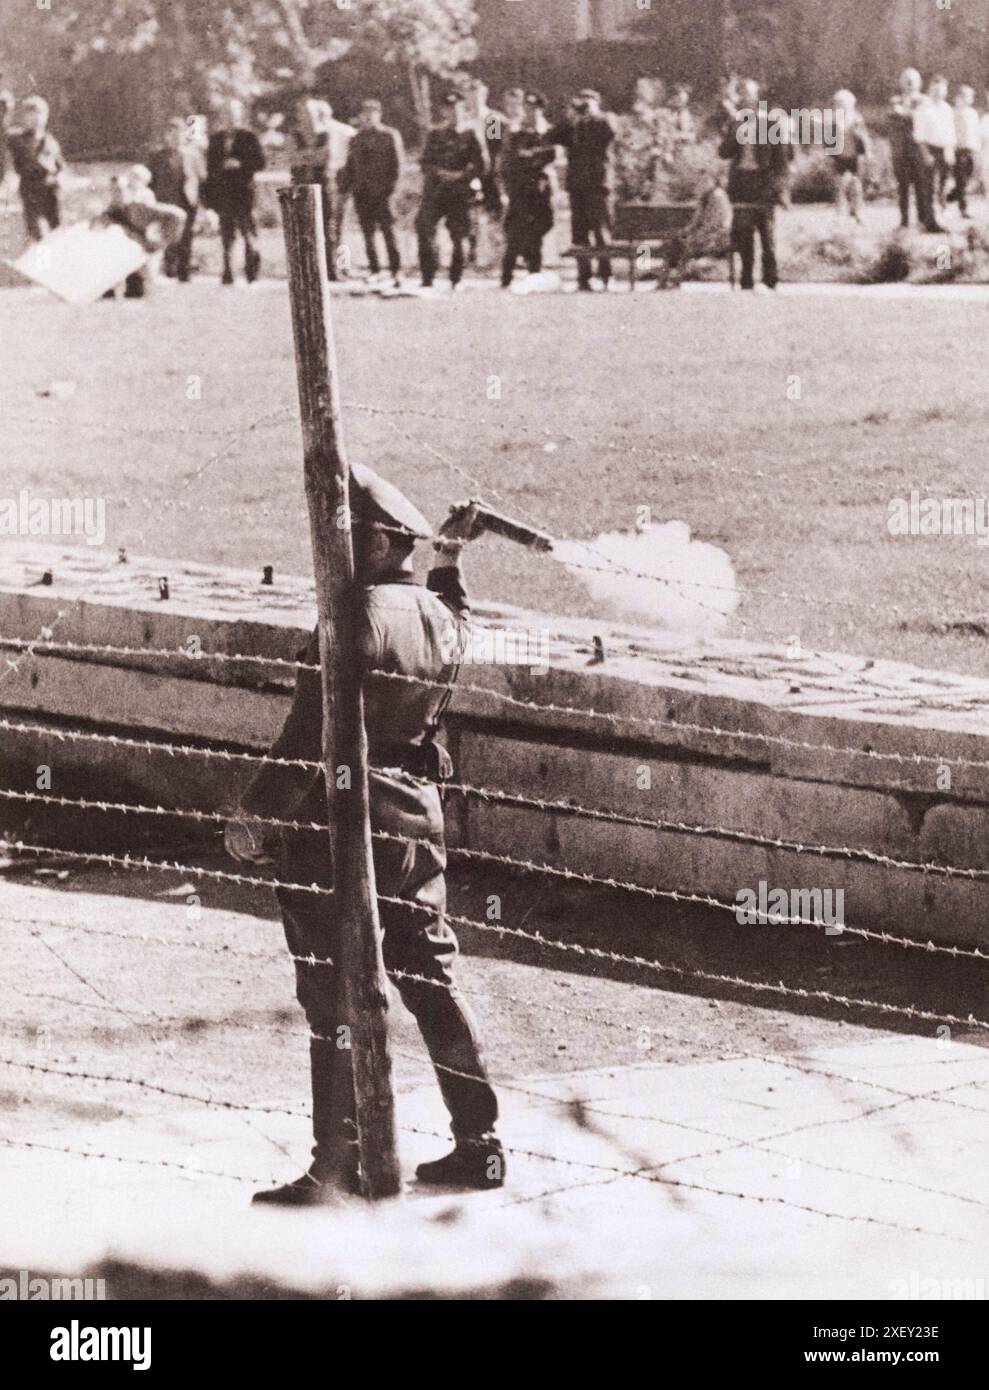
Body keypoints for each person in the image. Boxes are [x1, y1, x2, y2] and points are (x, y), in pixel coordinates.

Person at [226, 466, 503, 1203]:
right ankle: (480, 1144)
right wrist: (448, 557)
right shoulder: (437, 616)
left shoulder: (348, 618)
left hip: (338, 823)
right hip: (416, 814)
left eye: (344, 532)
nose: (331, 544)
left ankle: (338, 1162)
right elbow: (456, 610)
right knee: (429, 973)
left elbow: (307, 735)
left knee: (332, 992)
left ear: (378, 541)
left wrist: (255, 814)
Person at [717, 78, 789, 291]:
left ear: (756, 97)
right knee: (744, 234)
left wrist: (780, 187)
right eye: (743, 94)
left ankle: (770, 279)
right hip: (741, 182)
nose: (746, 98)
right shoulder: (735, 122)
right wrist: (733, 129)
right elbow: (724, 153)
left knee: (767, 233)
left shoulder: (769, 122)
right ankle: (746, 278)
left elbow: (780, 158)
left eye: (750, 94)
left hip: (763, 182)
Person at [547, 89, 616, 292]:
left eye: (588, 103)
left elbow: (609, 133)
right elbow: (550, 136)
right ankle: (583, 277)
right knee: (579, 235)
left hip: (598, 185)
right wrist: (571, 118)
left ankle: (606, 275)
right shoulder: (574, 125)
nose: (584, 107)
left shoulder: (604, 121)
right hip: (577, 186)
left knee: (601, 233)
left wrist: (593, 114)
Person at [416, 92, 485, 291]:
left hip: (459, 192)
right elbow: (425, 163)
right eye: (449, 108)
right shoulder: (435, 134)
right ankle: (427, 277)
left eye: (458, 108)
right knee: (424, 228)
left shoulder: (473, 134)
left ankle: (456, 278)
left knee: (459, 236)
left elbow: (482, 164)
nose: (454, 112)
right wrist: (440, 172)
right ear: (444, 111)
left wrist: (462, 175)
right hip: (436, 191)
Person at [338, 99, 403, 285]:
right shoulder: (357, 139)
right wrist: (346, 189)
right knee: (368, 233)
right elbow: (351, 166)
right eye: (364, 113)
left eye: (371, 112)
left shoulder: (389, 135)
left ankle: (395, 270)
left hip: (383, 192)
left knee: (388, 231)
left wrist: (392, 189)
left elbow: (397, 164)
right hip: (362, 192)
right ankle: (374, 269)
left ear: (379, 114)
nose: (367, 117)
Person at [97, 168, 185, 299]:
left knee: (135, 265)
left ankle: (134, 288)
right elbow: (113, 210)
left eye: (137, 177)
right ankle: (109, 289)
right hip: (125, 232)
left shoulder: (145, 194)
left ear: (144, 181)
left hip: (138, 234)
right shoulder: (124, 191)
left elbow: (148, 215)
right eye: (132, 176)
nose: (133, 179)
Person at [204, 97, 265, 285]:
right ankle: (228, 272)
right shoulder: (215, 139)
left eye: (233, 113)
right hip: (224, 193)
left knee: (248, 234)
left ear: (240, 115)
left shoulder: (249, 137)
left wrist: (240, 164)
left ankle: (252, 273)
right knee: (226, 235)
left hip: (244, 192)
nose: (229, 117)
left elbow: (260, 163)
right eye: (226, 113)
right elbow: (209, 167)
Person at [500, 91, 555, 288]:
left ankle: (534, 270)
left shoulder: (548, 131)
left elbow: (550, 157)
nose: (530, 113)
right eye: (528, 108)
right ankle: (507, 274)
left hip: (540, 189)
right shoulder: (505, 126)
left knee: (538, 229)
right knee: (514, 231)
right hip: (518, 188)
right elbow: (503, 157)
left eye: (534, 109)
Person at [147, 117, 204, 282]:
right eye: (172, 133)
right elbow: (151, 180)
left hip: (187, 201)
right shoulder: (157, 156)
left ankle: (184, 272)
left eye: (179, 133)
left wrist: (200, 204)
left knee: (187, 237)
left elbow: (201, 178)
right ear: (166, 135)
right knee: (169, 237)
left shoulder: (193, 155)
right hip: (167, 202)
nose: (176, 137)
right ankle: (169, 270)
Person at [288, 96, 338, 279]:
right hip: (301, 185)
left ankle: (331, 269)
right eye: (302, 113)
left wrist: (305, 156)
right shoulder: (294, 134)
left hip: (323, 185)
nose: (306, 117)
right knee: (301, 228)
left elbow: (325, 156)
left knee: (327, 227)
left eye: (309, 113)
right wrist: (310, 156)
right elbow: (293, 158)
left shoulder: (325, 134)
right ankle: (305, 271)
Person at [8, 95, 64, 241]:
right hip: (30, 188)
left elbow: (60, 166)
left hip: (50, 188)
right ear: (24, 119)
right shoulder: (17, 140)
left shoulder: (51, 141)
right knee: (36, 229)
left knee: (57, 228)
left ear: (46, 117)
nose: (35, 120)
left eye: (39, 115)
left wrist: (58, 177)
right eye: (30, 116)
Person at [661, 174, 733, 286]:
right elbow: (696, 222)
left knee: (680, 245)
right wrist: (685, 232)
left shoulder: (717, 196)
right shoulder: (706, 196)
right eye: (701, 181)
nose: (701, 184)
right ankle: (668, 278)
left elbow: (714, 223)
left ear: (712, 181)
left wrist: (695, 235)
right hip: (706, 236)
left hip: (717, 238)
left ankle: (669, 279)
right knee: (674, 241)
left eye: (705, 181)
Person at [889, 67, 936, 231]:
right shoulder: (895, 101)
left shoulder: (925, 100)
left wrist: (906, 113)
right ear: (900, 83)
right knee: (902, 187)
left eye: (913, 80)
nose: (909, 83)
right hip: (901, 151)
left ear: (919, 83)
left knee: (921, 186)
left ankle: (923, 220)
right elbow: (893, 121)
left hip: (919, 150)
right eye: (906, 80)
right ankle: (904, 221)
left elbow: (925, 119)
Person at [914, 75, 955, 218]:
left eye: (941, 90)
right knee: (930, 185)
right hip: (929, 149)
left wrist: (950, 151)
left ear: (945, 91)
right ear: (930, 90)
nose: (938, 92)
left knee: (945, 185)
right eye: (935, 89)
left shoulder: (947, 109)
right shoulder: (923, 109)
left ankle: (942, 212)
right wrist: (926, 154)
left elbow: (950, 132)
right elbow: (919, 135)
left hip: (945, 149)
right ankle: (930, 219)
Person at [830, 89, 871, 222]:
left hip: (855, 155)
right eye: (839, 104)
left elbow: (864, 138)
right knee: (840, 185)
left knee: (856, 184)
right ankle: (840, 213)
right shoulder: (833, 120)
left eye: (844, 104)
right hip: (840, 155)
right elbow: (827, 140)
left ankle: (857, 211)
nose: (841, 106)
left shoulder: (856, 119)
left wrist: (867, 153)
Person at [948, 85, 980, 217]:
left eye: (970, 96)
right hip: (959, 150)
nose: (968, 99)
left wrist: (976, 148)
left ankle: (951, 196)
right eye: (964, 95)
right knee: (960, 179)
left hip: (970, 149)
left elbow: (975, 132)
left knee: (967, 178)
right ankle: (963, 208)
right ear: (958, 98)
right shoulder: (953, 112)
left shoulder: (973, 113)